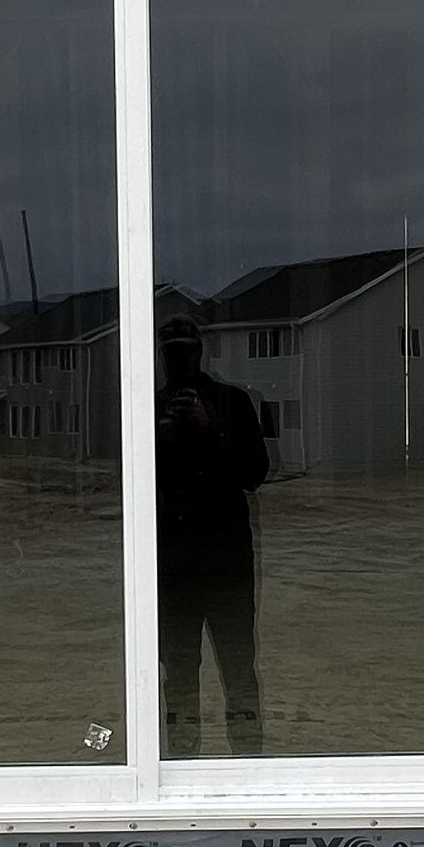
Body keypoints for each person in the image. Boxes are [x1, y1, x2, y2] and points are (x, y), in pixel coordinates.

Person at [155, 315, 269, 756]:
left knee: (239, 670)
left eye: (185, 349)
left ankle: (248, 766)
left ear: (199, 352)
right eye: (171, 351)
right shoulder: (151, 408)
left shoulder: (232, 403)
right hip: (173, 568)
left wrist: (210, 430)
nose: (179, 359)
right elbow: (133, 481)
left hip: (227, 568)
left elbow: (255, 473)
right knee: (178, 675)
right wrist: (163, 438)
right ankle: (181, 769)